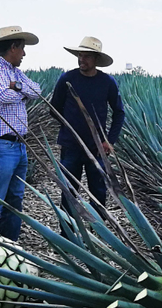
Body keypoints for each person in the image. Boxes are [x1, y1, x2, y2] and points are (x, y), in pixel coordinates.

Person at [0, 26, 42, 241]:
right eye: (22, 49)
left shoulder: (15, 72)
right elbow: (3, 96)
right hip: (0, 145)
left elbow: (37, 91)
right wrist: (22, 93)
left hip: (19, 145)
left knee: (15, 199)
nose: (24, 54)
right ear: (13, 47)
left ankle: (10, 246)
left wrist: (18, 86)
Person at [49, 36, 125, 208]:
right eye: (80, 55)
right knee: (69, 192)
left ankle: (98, 233)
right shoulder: (67, 79)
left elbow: (119, 113)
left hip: (97, 148)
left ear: (96, 59)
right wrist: (70, 126)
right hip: (71, 146)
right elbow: (54, 109)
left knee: (98, 192)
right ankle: (67, 233)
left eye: (86, 56)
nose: (81, 59)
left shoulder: (107, 82)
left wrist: (109, 141)